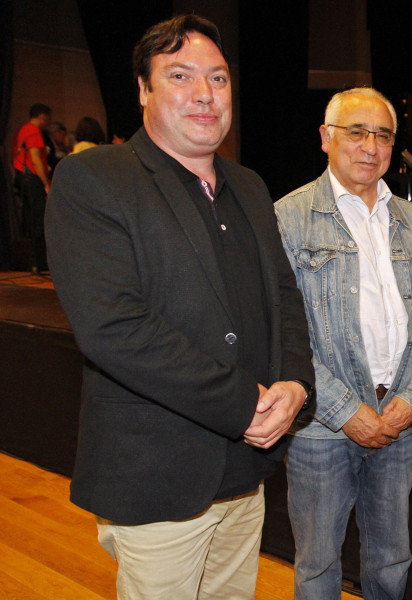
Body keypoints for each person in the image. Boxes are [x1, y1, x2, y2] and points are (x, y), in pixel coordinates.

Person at [44, 15, 314, 599]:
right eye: (180, 75)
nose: (204, 94)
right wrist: (247, 404)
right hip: (158, 481)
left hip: (246, 476)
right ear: (143, 90)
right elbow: (113, 328)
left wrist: (295, 382)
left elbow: (284, 298)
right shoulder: (95, 179)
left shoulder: (249, 186)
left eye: (218, 79)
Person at [274, 87, 412, 600]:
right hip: (320, 427)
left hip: (400, 422)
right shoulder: (289, 217)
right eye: (356, 131)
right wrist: (347, 409)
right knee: (317, 565)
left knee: (391, 560)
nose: (370, 146)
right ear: (326, 137)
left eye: (383, 135)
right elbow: (283, 335)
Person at [12, 103, 52, 272]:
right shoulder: (34, 131)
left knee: (31, 219)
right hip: (32, 179)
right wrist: (46, 184)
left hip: (22, 177)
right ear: (42, 116)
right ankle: (40, 262)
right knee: (38, 219)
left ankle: (35, 262)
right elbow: (35, 158)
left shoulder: (23, 129)